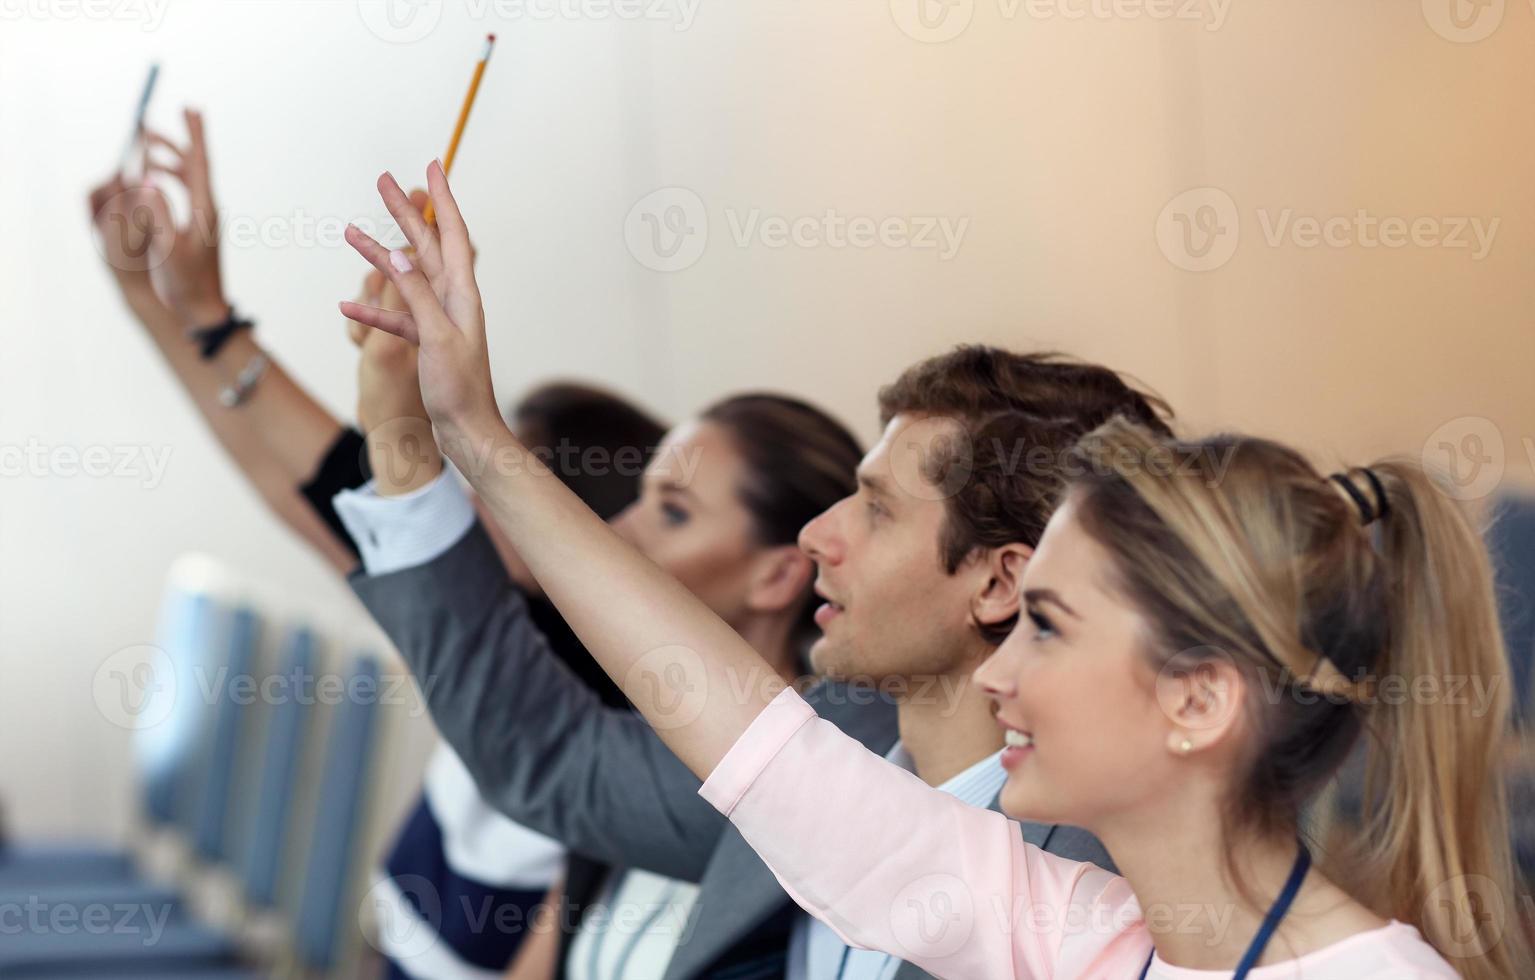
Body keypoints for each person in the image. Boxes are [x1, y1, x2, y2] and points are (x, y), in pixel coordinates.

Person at [342, 163, 1530, 979]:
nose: (1000, 669)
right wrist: (468, 437)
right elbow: (754, 741)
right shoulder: (1076, 930)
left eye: (1049, 627)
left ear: (1198, 698)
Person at [85, 115, 665, 978]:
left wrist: (206, 314)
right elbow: (297, 477)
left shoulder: (586, 733)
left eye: (506, 473)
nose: (469, 492)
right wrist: (163, 303)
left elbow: (315, 475)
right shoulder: (477, 633)